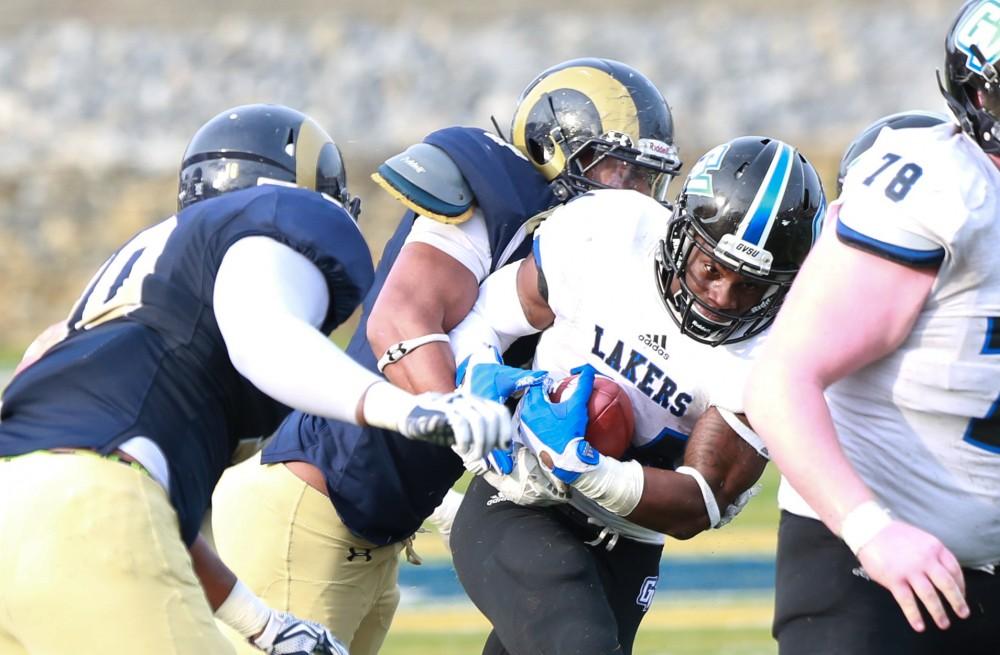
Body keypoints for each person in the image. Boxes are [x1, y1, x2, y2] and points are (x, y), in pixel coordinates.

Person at [0, 103, 512, 655]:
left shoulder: (126, 296)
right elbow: (259, 333)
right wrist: (407, 409)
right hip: (97, 513)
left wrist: (262, 624)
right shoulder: (282, 218)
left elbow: (128, 488)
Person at [210, 58, 682, 655]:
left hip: (373, 536)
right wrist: (479, 434)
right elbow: (400, 321)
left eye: (648, 177)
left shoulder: (583, 256)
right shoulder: (497, 189)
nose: (636, 194)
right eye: (619, 168)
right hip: (309, 512)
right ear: (551, 149)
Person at [446, 135, 826, 655]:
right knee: (577, 642)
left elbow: (700, 502)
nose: (722, 297)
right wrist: (479, 379)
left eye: (750, 287)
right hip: (520, 497)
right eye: (711, 268)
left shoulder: (776, 348)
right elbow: (483, 319)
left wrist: (585, 469)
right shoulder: (609, 231)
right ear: (680, 234)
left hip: (628, 542)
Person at [744, 3, 1000, 653]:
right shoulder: (942, 186)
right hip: (874, 569)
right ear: (981, 96)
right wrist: (872, 530)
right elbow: (781, 379)